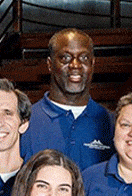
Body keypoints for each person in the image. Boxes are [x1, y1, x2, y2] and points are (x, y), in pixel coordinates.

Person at [20, 28, 113, 168]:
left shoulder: (111, 123)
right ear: (50, 64)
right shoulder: (25, 123)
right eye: (65, 58)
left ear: (93, 65)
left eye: (84, 58)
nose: (75, 65)